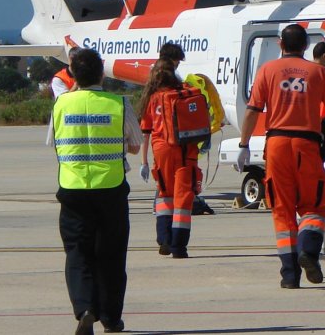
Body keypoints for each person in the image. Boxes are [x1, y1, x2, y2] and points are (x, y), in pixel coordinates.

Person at [237, 24, 325, 288]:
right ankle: (308, 251)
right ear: (306, 47)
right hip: (307, 145)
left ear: (280, 45)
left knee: (282, 209)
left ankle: (290, 276)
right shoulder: (319, 73)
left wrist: (244, 144)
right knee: (313, 205)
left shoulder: (267, 71)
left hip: (276, 146)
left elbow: (252, 111)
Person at [47, 47, 142, 335]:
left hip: (73, 189)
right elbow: (136, 145)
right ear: (103, 73)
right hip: (110, 189)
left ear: (73, 74)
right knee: (111, 256)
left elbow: (54, 143)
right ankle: (111, 318)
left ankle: (85, 308)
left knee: (78, 253)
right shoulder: (118, 104)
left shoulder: (61, 105)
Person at [138, 59, 202, 258]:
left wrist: (145, 162)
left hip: (161, 151)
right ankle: (179, 247)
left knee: (164, 194)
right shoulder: (184, 93)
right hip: (186, 152)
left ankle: (164, 239)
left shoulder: (152, 98)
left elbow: (146, 131)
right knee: (183, 199)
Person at [155, 41, 221, 216]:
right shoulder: (166, 83)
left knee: (166, 183)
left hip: (164, 142)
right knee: (173, 184)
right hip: (172, 141)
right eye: (177, 61)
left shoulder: (159, 81)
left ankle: (165, 212)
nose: (177, 64)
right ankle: (173, 211)